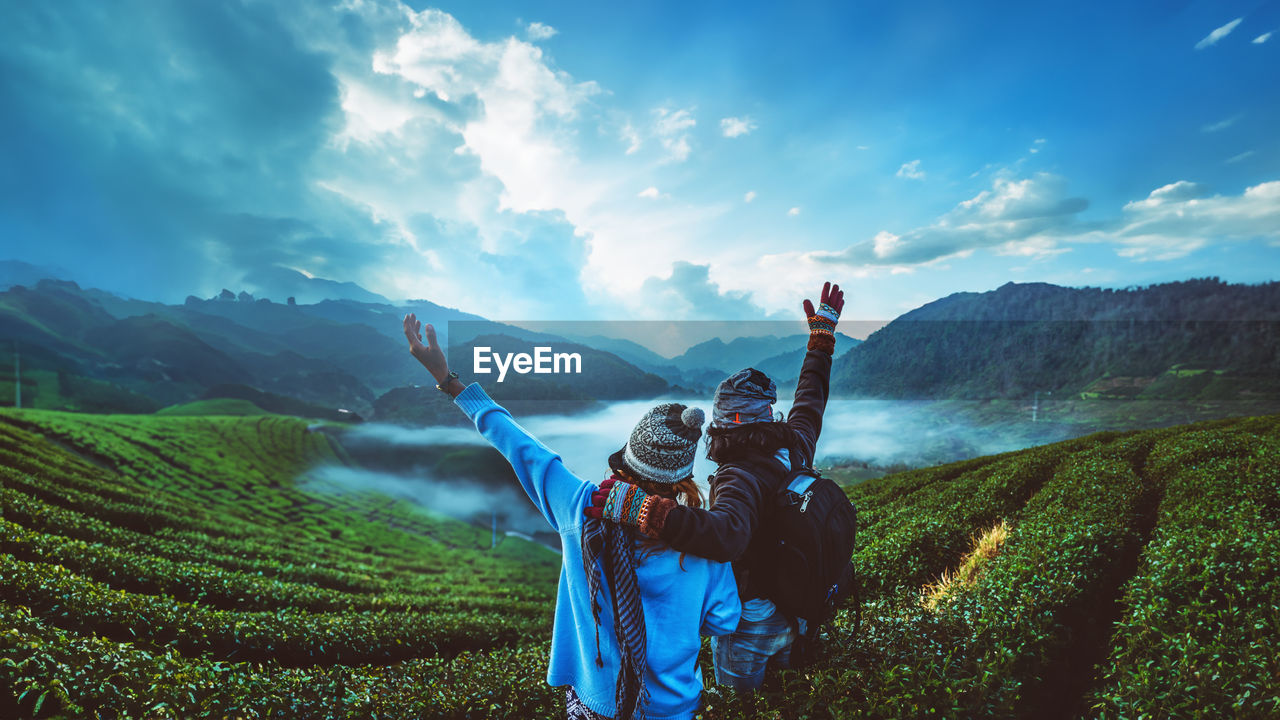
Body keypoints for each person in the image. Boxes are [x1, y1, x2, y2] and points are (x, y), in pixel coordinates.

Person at [402, 313, 741, 720]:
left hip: (597, 703)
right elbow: (723, 619)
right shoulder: (704, 541)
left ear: (625, 462)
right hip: (675, 707)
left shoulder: (580, 506)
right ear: (683, 479)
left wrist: (448, 379)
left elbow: (518, 444)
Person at [585, 282, 844, 691]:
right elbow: (811, 400)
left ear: (729, 421)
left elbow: (727, 537)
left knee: (736, 705)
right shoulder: (796, 442)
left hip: (755, 618)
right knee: (791, 695)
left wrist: (648, 511)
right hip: (798, 608)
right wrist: (821, 339)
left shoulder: (737, 475)